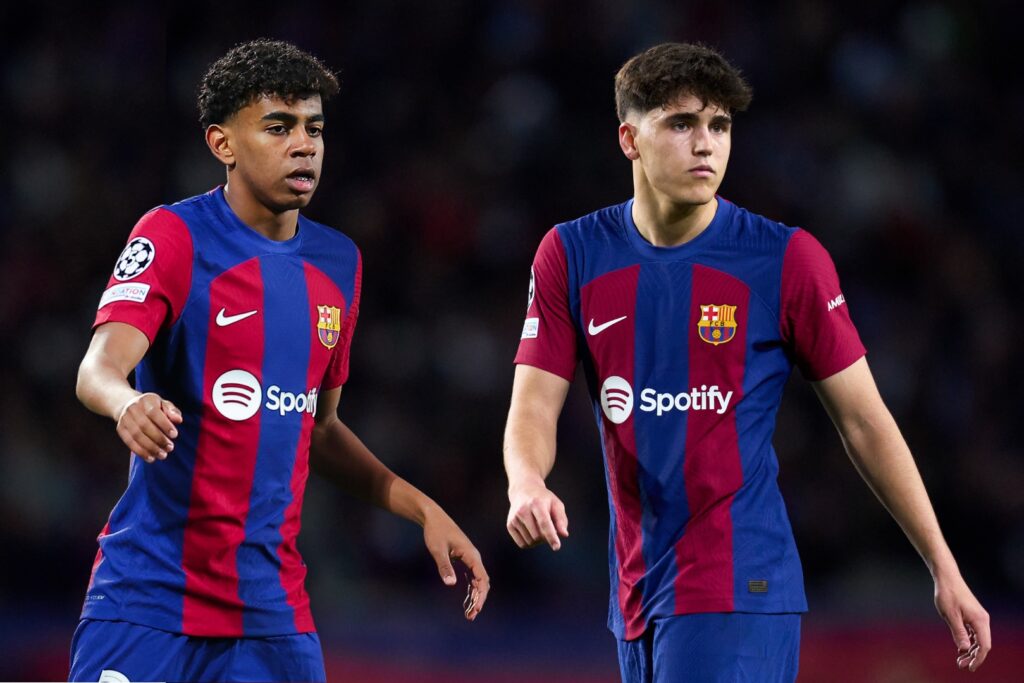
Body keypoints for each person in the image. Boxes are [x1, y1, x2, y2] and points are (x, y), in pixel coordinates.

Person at [503, 42, 989, 682]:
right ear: (629, 138)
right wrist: (526, 482)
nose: (706, 144)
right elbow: (534, 404)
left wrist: (943, 567)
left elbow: (866, 423)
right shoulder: (570, 253)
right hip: (635, 594)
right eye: (682, 124)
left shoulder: (785, 259)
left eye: (720, 126)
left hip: (741, 584)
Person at [70, 39, 488, 683]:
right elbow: (98, 367)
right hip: (147, 604)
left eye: (314, 128)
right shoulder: (174, 235)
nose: (305, 145)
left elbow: (317, 428)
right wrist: (127, 401)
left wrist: (421, 507)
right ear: (222, 144)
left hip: (272, 621)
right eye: (278, 126)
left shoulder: (339, 263)